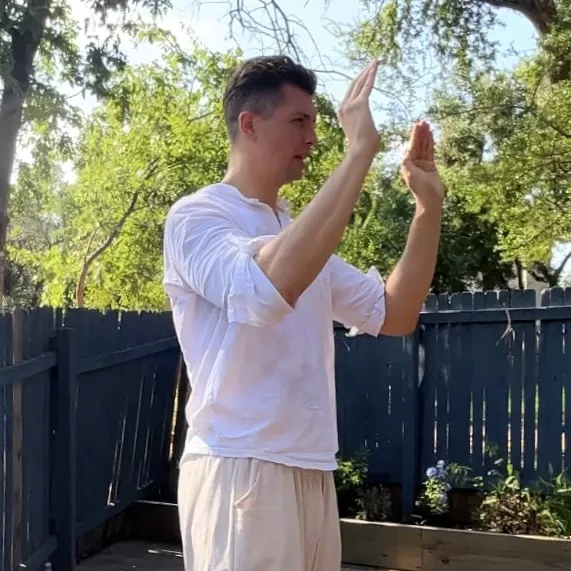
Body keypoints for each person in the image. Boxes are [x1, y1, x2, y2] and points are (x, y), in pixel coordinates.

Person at [162, 55, 444, 571]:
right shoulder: (197, 216)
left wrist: (428, 209)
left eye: (313, 123)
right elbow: (263, 291)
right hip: (240, 466)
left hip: (310, 467)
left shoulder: (295, 237)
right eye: (299, 121)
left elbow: (394, 312)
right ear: (250, 124)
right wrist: (359, 152)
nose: (313, 139)